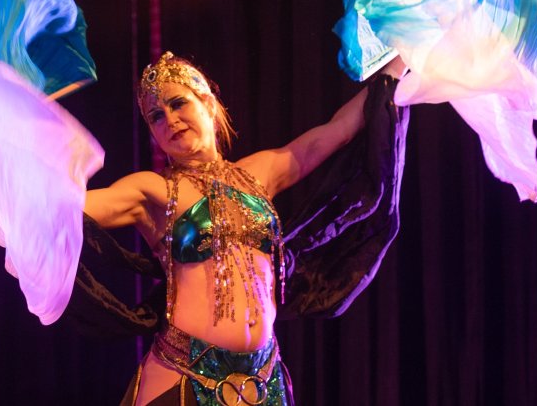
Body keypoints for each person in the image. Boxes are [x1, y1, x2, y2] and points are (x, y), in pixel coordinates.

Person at [81, 51, 405, 405]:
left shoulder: (258, 174)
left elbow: (338, 132)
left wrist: (400, 62)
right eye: (157, 116)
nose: (170, 120)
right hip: (185, 375)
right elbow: (69, 209)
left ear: (208, 103)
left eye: (178, 104)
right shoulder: (152, 191)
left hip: (264, 378)